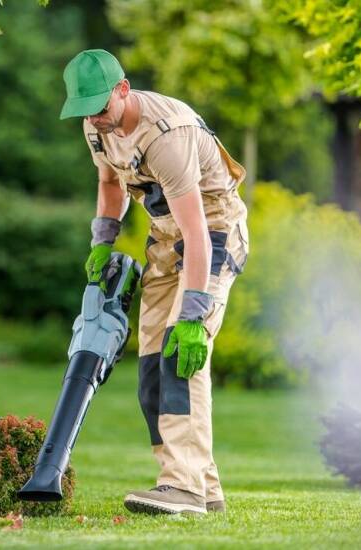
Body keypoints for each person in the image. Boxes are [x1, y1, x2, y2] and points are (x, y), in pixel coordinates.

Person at [60, 49, 249, 514]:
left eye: (100, 107)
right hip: (164, 237)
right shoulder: (96, 126)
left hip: (212, 232)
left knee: (180, 354)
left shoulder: (167, 135)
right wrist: (103, 240)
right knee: (150, 369)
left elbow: (198, 233)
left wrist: (193, 315)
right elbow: (110, 183)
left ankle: (183, 485)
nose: (95, 119)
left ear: (123, 89)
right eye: (85, 110)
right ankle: (203, 488)